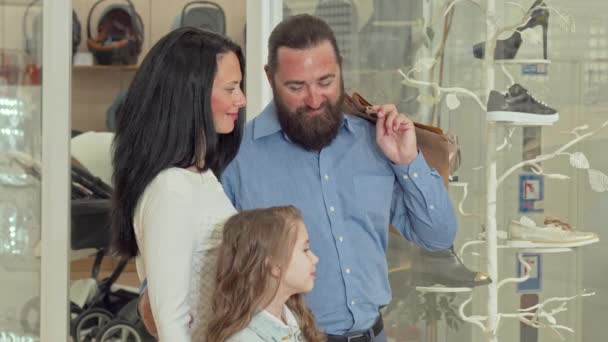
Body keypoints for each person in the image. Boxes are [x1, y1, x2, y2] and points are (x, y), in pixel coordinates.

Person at [219, 14, 457, 341]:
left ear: (341, 70)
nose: (314, 99)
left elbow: (439, 235)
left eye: (325, 82)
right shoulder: (235, 159)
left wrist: (408, 161)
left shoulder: (376, 143)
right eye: (296, 87)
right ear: (269, 78)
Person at [110, 27, 246, 341]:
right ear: (192, 95)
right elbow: (170, 323)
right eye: (231, 88)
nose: (241, 99)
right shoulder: (171, 189)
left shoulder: (201, 175)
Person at [200, 206, 324, 342]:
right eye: (305, 250)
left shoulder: (293, 318)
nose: (315, 258)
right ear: (274, 265)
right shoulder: (244, 339)